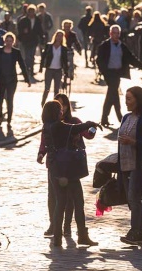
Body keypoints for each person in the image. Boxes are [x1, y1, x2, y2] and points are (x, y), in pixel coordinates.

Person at [37, 100, 101, 247]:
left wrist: (41, 154)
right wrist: (91, 123)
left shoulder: (46, 126)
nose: (62, 112)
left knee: (60, 202)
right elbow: (75, 128)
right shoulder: (58, 126)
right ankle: (82, 236)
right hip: (67, 169)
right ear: (55, 112)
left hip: (54, 169)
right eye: (59, 110)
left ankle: (58, 239)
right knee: (78, 201)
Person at [117, 86, 142, 245]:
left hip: (138, 164)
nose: (126, 102)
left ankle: (135, 231)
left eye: (129, 99)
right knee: (132, 198)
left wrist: (133, 142)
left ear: (138, 100)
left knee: (134, 197)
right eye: (125, 98)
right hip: (125, 163)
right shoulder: (126, 117)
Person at [96, 25, 142, 127]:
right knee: (113, 92)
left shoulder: (122, 46)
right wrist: (103, 71)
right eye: (114, 33)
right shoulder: (104, 46)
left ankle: (105, 118)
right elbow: (99, 60)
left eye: (117, 33)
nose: (116, 35)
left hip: (118, 73)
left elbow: (130, 57)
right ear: (110, 34)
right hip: (109, 73)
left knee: (112, 94)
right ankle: (119, 116)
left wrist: (141, 65)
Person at [0, 32, 30, 129]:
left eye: (11, 41)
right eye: (7, 41)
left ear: (13, 42)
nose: (9, 43)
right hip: (0, 79)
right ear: (4, 41)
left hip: (12, 80)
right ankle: (0, 115)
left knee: (10, 100)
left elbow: (22, 65)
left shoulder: (16, 52)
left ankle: (9, 120)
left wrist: (27, 79)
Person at [39, 30, 69, 106]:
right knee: (47, 88)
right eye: (58, 36)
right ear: (55, 36)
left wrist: (66, 71)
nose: (59, 38)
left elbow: (65, 60)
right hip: (49, 69)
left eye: (61, 36)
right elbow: (44, 56)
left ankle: (55, 105)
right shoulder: (49, 46)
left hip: (58, 70)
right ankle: (43, 103)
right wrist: (41, 66)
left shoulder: (63, 48)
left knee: (56, 90)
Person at [18, 4, 44, 76]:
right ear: (28, 12)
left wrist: (42, 38)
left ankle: (31, 69)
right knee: (26, 56)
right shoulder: (23, 20)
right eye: (30, 12)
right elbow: (19, 29)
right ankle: (27, 69)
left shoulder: (37, 20)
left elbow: (40, 30)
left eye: (33, 11)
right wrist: (23, 32)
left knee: (32, 55)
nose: (31, 13)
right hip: (25, 40)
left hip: (34, 40)